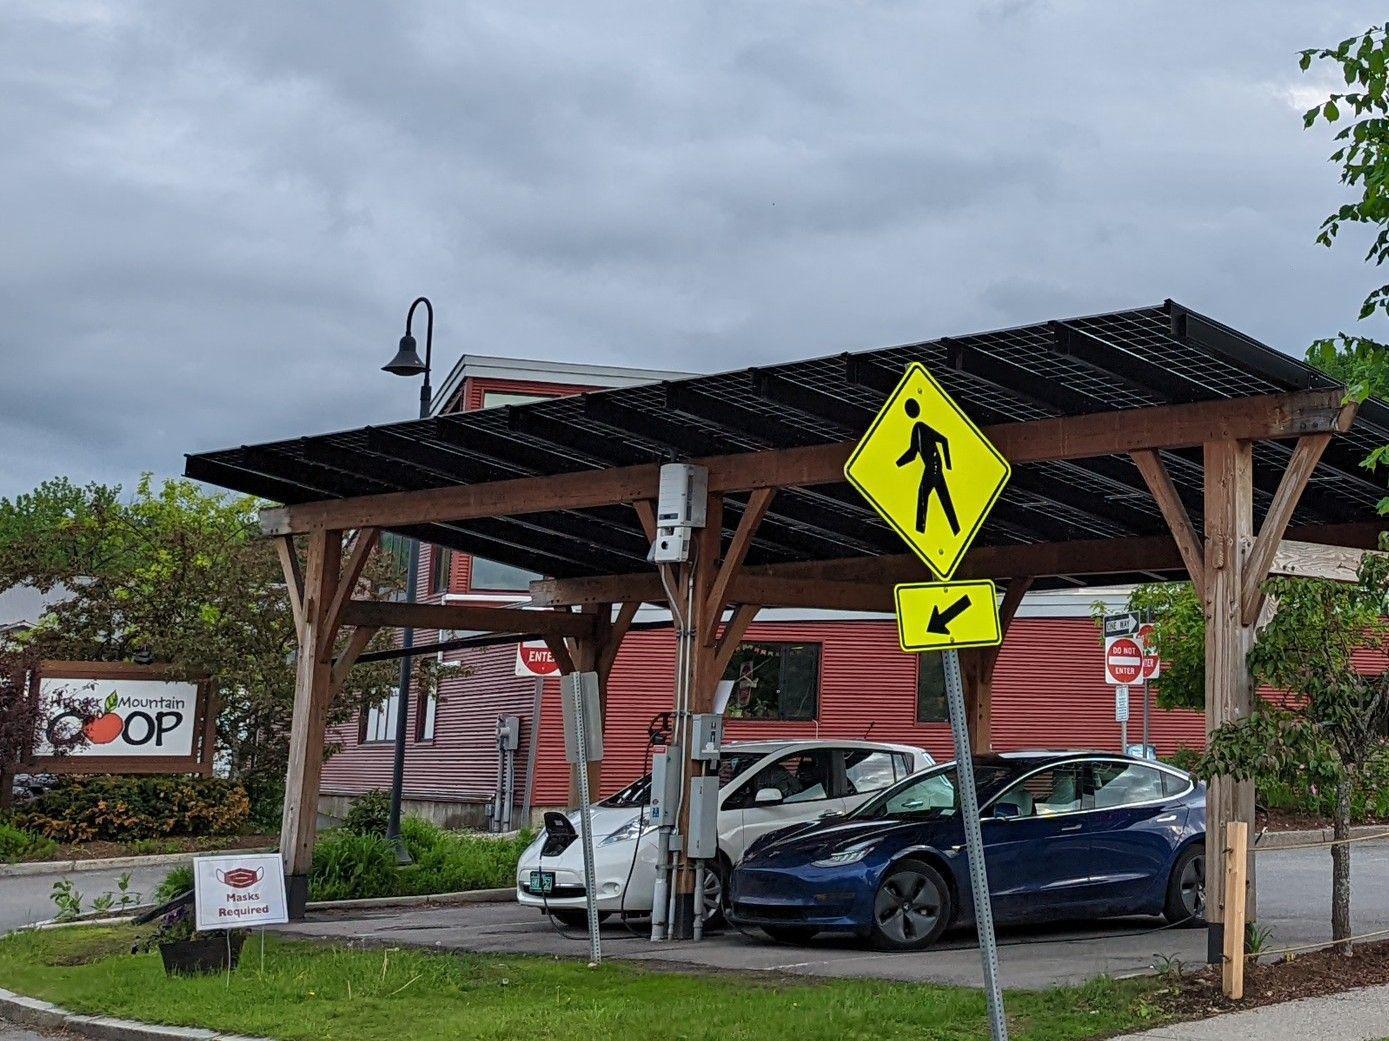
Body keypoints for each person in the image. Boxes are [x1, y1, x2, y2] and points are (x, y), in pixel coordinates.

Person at [895, 398, 960, 536]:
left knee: (924, 494)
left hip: (934, 467)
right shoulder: (916, 430)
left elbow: (944, 440)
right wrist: (896, 464)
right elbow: (912, 453)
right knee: (943, 498)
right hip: (931, 467)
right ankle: (955, 530)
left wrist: (948, 465)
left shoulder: (921, 427)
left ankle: (921, 530)